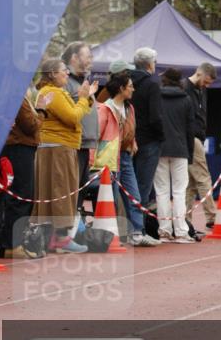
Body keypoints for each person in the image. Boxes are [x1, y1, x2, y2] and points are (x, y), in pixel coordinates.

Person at [32, 57, 98, 253]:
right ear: (52, 74)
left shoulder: (50, 92)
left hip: (57, 147)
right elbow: (72, 117)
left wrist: (87, 97)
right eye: (63, 70)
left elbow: (76, 112)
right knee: (62, 190)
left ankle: (52, 237)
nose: (67, 74)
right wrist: (84, 98)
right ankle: (60, 238)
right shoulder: (53, 92)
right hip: (58, 148)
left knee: (55, 191)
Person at [96, 70, 160, 247]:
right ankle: (112, 234)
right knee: (112, 197)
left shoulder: (129, 108)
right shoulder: (105, 108)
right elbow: (99, 134)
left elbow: (131, 128)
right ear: (121, 88)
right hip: (110, 158)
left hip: (125, 156)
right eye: (130, 86)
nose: (133, 89)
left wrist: (133, 141)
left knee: (135, 195)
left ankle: (137, 232)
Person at [0, 91, 44, 258]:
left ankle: (10, 242)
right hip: (19, 148)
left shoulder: (12, 95)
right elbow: (30, 125)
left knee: (18, 196)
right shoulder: (15, 96)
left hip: (19, 148)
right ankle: (11, 244)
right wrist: (42, 111)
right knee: (20, 196)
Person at [155, 67, 195, 243]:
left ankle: (164, 231)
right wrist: (190, 153)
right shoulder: (186, 100)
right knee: (179, 192)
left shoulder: (157, 98)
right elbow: (190, 129)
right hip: (180, 149)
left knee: (161, 191)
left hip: (160, 148)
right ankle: (181, 232)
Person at [62, 41, 99, 215]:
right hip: (73, 145)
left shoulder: (82, 82)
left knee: (80, 190)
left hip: (85, 144)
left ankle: (75, 229)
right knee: (71, 189)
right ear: (75, 57)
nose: (91, 59)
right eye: (88, 55)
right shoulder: (66, 82)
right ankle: (67, 232)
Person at [130, 47, 164, 211]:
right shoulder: (152, 84)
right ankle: (139, 227)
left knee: (129, 184)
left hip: (129, 139)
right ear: (150, 64)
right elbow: (156, 116)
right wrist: (161, 136)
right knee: (144, 184)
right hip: (149, 139)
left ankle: (131, 224)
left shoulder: (126, 83)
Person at [184, 62, 218, 232]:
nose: (207, 85)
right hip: (191, 138)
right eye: (206, 82)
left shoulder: (200, 89)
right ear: (199, 74)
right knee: (203, 177)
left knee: (190, 184)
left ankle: (186, 219)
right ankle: (212, 217)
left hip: (197, 137)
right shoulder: (185, 88)